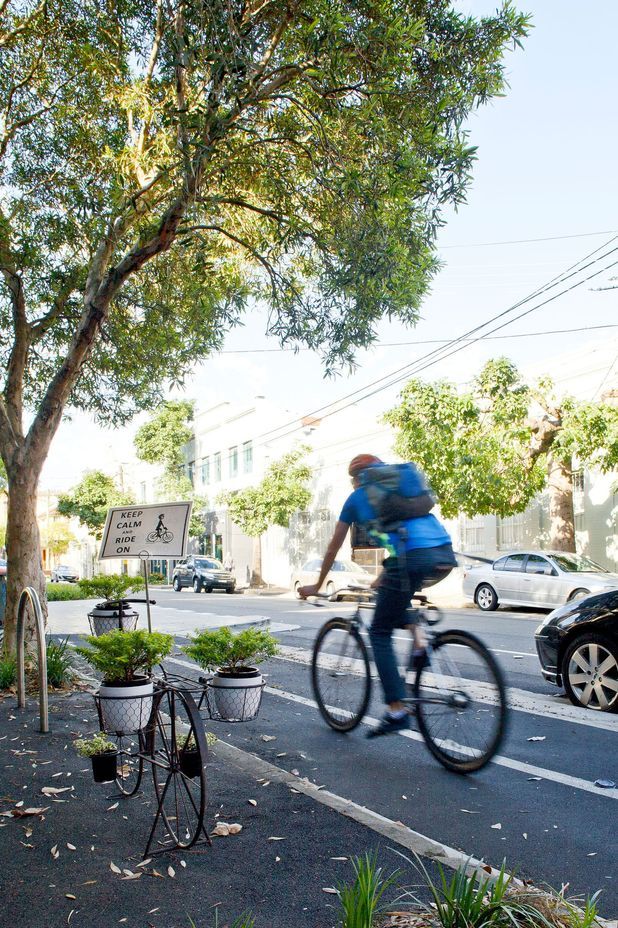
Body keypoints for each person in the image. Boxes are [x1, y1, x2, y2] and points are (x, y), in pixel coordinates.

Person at [299, 454, 457, 738]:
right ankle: (420, 644)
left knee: (379, 632)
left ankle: (396, 710)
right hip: (443, 553)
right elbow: (400, 539)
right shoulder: (399, 490)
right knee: (396, 592)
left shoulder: (358, 497)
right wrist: (385, 571)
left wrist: (318, 584)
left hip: (412, 558)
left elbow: (333, 548)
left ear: (356, 478)